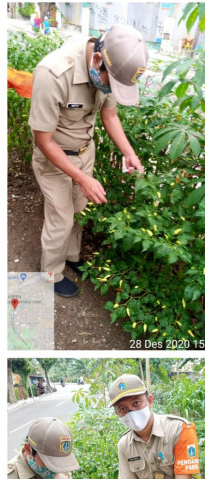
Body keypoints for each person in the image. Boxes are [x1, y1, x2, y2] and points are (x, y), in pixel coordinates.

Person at [29, 24, 148, 297]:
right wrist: (83, 178)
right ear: (97, 60)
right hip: (54, 157)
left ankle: (71, 257)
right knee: (60, 219)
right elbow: (44, 140)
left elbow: (110, 116)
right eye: (110, 84)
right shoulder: (54, 73)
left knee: (79, 209)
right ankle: (50, 273)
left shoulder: (110, 68)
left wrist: (130, 153)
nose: (109, 89)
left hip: (84, 152)